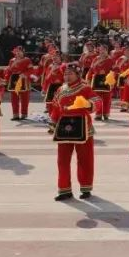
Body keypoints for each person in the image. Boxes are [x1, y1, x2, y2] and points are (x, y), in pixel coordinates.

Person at [49, 64, 99, 201]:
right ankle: (64, 190)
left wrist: (88, 104)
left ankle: (86, 188)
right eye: (65, 74)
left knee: (85, 160)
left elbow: (97, 100)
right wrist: (53, 122)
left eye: (70, 73)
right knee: (62, 161)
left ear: (77, 74)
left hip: (83, 127)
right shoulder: (60, 90)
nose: (67, 76)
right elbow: (55, 107)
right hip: (64, 127)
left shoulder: (85, 88)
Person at [4, 46, 34, 120]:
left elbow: (31, 70)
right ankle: (15, 114)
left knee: (24, 98)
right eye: (17, 52)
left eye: (20, 52)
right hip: (14, 80)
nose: (18, 53)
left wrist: (25, 74)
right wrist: (6, 79)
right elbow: (9, 71)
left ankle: (24, 114)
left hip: (24, 80)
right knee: (14, 98)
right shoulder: (12, 61)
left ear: (23, 52)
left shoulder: (27, 60)